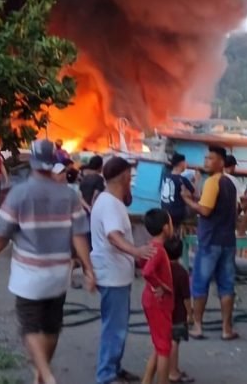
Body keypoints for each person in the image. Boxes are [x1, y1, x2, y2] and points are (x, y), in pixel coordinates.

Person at [0, 139, 95, 384]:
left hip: (29, 276)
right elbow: (78, 236)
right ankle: (39, 377)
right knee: (52, 326)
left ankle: (46, 373)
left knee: (30, 327)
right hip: (59, 274)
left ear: (32, 162)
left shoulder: (19, 193)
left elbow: (2, 233)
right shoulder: (69, 195)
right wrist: (88, 269)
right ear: (53, 162)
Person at [92, 156, 156, 384]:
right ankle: (106, 375)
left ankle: (113, 368)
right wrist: (136, 251)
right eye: (130, 176)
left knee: (117, 325)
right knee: (115, 327)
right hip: (112, 275)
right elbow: (113, 236)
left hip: (114, 273)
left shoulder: (108, 200)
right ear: (125, 177)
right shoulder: (109, 203)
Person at [182, 145, 239, 341]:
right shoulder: (230, 184)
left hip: (209, 241)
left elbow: (205, 210)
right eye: (205, 158)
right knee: (226, 285)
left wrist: (187, 200)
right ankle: (226, 328)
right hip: (228, 241)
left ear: (221, 162)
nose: (206, 161)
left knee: (200, 283)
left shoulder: (212, 182)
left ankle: (197, 326)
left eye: (210, 158)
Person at [140, 208, 174, 384]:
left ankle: (146, 380)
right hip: (158, 302)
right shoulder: (158, 250)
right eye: (170, 223)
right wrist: (162, 286)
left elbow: (141, 263)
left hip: (151, 300)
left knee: (159, 344)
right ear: (165, 228)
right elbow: (147, 272)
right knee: (164, 349)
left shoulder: (150, 246)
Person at [165, 236, 193, 384]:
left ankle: (169, 368)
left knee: (166, 340)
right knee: (174, 341)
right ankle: (173, 371)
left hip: (164, 309)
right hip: (178, 313)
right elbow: (186, 297)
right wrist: (191, 313)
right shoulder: (182, 273)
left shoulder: (162, 268)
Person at [160, 153, 194, 234]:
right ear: (181, 163)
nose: (186, 164)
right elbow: (194, 194)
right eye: (185, 162)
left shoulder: (165, 176)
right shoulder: (182, 179)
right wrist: (196, 180)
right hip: (177, 214)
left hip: (164, 211)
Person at [223, 155, 247, 238]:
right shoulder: (232, 179)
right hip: (227, 213)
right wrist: (246, 191)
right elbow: (242, 197)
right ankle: (241, 232)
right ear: (232, 167)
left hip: (217, 212)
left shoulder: (216, 176)